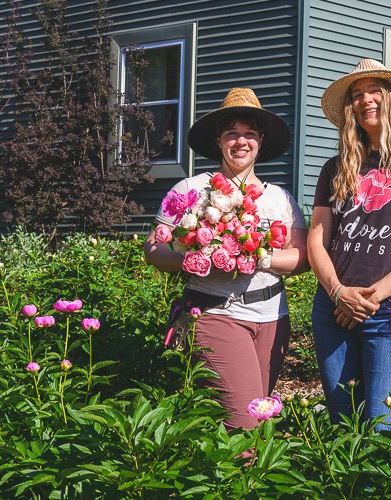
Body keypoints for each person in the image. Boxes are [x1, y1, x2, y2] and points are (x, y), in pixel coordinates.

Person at [144, 87, 307, 430]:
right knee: (245, 421)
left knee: (260, 417)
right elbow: (153, 249)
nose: (241, 141)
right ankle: (242, 482)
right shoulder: (191, 189)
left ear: (260, 140)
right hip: (215, 314)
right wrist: (198, 256)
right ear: (219, 140)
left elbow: (300, 258)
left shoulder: (279, 198)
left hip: (273, 318)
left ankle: (244, 482)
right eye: (231, 133)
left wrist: (257, 257)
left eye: (249, 134)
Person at [308, 59, 391, 430]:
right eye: (357, 94)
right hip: (333, 312)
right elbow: (316, 240)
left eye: (374, 91)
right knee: (343, 426)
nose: (366, 100)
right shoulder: (335, 168)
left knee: (384, 428)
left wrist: (369, 298)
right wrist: (338, 293)